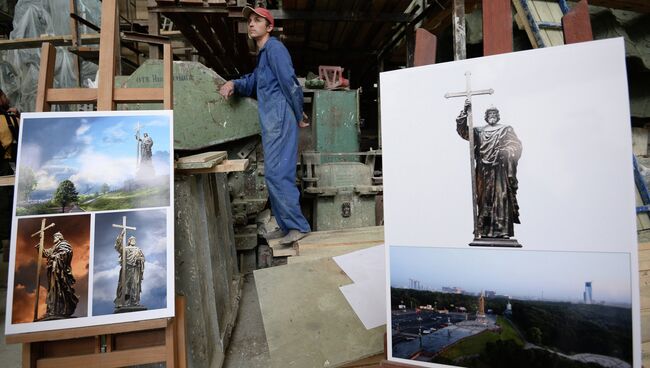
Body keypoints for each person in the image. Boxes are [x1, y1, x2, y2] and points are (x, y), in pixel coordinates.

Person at [219, 6, 310, 244]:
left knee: (279, 174)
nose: (251, 24)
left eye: (257, 20)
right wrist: (234, 83)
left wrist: (299, 114)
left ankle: (298, 226)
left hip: (280, 118)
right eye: (250, 20)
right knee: (272, 175)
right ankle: (285, 225)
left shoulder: (275, 49)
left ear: (269, 27)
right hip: (272, 122)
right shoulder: (263, 55)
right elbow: (253, 82)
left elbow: (290, 83)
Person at [456, 100, 522, 239]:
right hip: (483, 171)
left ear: (498, 116)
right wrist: (464, 113)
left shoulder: (506, 129)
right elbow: (463, 132)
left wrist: (504, 152)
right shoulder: (479, 131)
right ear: (486, 116)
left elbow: (516, 146)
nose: (492, 115)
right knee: (483, 199)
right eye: (489, 113)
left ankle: (502, 230)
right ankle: (484, 230)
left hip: (499, 170)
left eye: (494, 113)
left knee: (501, 198)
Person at [0, 88, 19, 287]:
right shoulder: (8, 119)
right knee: (6, 207)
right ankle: (7, 246)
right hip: (5, 168)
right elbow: (19, 137)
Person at [41, 232, 78, 318]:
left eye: (55, 236)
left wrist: (55, 256)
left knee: (59, 288)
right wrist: (40, 247)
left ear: (60, 237)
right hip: (53, 271)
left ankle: (61, 309)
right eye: (54, 236)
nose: (54, 238)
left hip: (60, 272)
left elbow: (66, 253)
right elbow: (46, 253)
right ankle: (53, 309)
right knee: (53, 290)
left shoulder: (64, 244)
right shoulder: (54, 247)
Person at [114, 229, 145, 310]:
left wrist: (140, 259)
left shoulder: (138, 249)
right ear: (129, 241)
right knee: (125, 285)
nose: (133, 241)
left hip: (135, 269)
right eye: (132, 239)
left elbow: (142, 258)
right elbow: (118, 247)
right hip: (127, 269)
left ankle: (134, 302)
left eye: (134, 240)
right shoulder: (126, 248)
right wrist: (121, 236)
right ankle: (124, 302)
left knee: (135, 285)